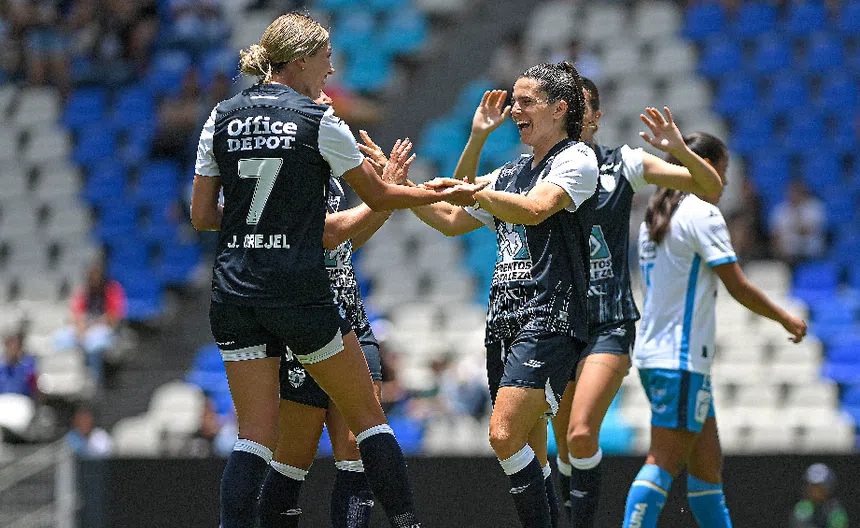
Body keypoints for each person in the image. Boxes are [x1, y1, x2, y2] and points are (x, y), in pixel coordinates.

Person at [189, 13, 483, 528]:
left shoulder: (221, 116)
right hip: (299, 293)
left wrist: (263, 225)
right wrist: (434, 192)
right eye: (326, 59)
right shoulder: (317, 122)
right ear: (301, 60)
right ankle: (408, 523)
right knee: (368, 421)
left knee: (254, 436)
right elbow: (376, 198)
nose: (331, 69)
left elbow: (202, 215)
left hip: (235, 289)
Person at [382, 61, 599, 528]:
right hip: (504, 320)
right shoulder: (512, 169)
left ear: (559, 109)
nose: (515, 110)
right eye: (513, 101)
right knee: (528, 450)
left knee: (502, 435)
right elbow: (450, 218)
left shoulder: (576, 158)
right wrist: (401, 188)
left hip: (549, 314)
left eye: (526, 102)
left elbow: (536, 209)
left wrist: (474, 193)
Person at [548, 79, 724, 527]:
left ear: (596, 116)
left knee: (581, 433)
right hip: (556, 322)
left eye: (582, 108)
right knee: (564, 448)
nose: (574, 117)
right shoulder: (539, 172)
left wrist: (679, 150)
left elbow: (708, 184)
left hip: (609, 322)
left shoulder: (622, 163)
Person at [622, 133, 808, 528]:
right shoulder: (701, 214)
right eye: (722, 172)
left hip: (661, 356)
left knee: (707, 471)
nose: (723, 184)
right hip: (681, 359)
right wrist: (785, 318)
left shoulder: (658, 215)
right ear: (704, 167)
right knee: (663, 461)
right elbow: (737, 286)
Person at [256, 91, 398, 527]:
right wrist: (386, 193)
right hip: (304, 326)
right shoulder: (285, 174)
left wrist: (387, 193)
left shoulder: (335, 178)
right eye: (319, 106)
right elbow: (328, 235)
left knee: (357, 450)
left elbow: (345, 242)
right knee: (292, 459)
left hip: (352, 320)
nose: (329, 113)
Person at [54, 262, 127, 385]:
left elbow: (114, 317)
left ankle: (94, 381)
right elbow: (75, 314)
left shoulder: (112, 289)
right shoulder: (84, 291)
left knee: (92, 344)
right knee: (59, 340)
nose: (94, 279)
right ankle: (64, 380)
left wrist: (93, 324)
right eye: (91, 276)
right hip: (84, 327)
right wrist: (80, 327)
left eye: (96, 275)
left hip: (105, 329)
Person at [770, 179, 826, 267]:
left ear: (803, 192)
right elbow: (775, 235)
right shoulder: (780, 210)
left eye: (797, 192)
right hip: (788, 255)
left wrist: (793, 224)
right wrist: (779, 252)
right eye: (791, 192)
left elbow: (807, 231)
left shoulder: (815, 208)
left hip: (811, 253)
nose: (794, 195)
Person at [790, 463, 849, 528]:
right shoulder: (803, 508)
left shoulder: (835, 509)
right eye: (812, 487)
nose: (815, 491)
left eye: (820, 487)